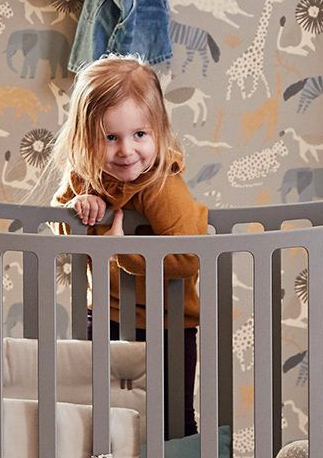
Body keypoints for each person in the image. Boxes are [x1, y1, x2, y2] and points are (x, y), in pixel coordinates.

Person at [48, 54, 207, 437]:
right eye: (110, 137)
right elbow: (57, 223)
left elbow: (189, 257)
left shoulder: (161, 184)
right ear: (86, 138)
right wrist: (79, 207)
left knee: (171, 422)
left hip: (167, 324)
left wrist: (121, 252)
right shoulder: (86, 176)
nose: (126, 150)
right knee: (98, 416)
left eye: (139, 135)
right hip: (104, 316)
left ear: (159, 131)